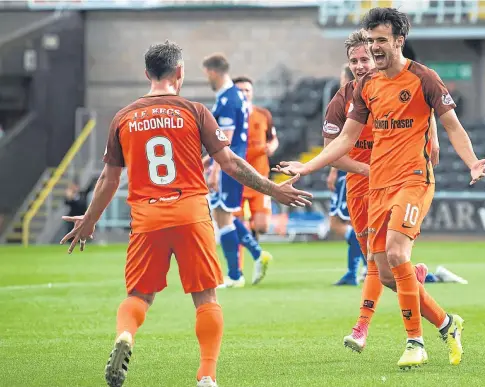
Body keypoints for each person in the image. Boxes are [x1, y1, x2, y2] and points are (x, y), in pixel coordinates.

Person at [60, 41, 312, 387]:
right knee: (206, 297)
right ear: (180, 73)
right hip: (191, 214)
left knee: (138, 296)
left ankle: (125, 336)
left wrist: (88, 221)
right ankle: (206, 375)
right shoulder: (194, 111)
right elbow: (231, 163)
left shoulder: (124, 116)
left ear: (147, 73)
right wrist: (275, 189)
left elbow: (108, 178)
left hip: (147, 219)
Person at [275, 8, 485, 369]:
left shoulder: (424, 78)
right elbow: (345, 139)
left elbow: (451, 125)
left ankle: (414, 342)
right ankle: (446, 323)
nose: (374, 48)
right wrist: (307, 165)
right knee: (388, 274)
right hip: (377, 186)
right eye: (370, 40)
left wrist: (470, 161)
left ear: (398, 40)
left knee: (394, 254)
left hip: (413, 180)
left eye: (380, 41)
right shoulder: (365, 87)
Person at [319, 30, 436, 354]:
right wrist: (362, 169)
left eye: (364, 59)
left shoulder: (402, 85)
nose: (359, 65)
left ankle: (362, 327)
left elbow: (424, 103)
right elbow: (334, 149)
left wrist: (433, 138)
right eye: (354, 60)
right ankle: (436, 312)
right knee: (385, 269)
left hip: (398, 181)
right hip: (361, 184)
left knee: (379, 258)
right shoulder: (343, 100)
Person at [202, 54, 273, 288]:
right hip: (233, 163)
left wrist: (214, 169)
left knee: (223, 218)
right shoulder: (233, 97)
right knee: (226, 216)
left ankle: (235, 275)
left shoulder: (229, 99)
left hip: (228, 165)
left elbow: (225, 140)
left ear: (212, 72)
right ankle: (255, 255)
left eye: (206, 74)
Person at [232, 76, 278, 284]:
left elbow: (273, 138)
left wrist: (272, 147)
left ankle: (253, 244)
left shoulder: (263, 115)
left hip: (260, 178)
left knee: (262, 226)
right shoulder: (230, 116)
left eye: (247, 90)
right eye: (240, 90)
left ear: (252, 92)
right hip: (237, 179)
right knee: (235, 225)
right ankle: (238, 270)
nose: (244, 93)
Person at [326, 64, 365, 286]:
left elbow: (342, 142)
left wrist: (334, 170)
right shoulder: (351, 102)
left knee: (340, 223)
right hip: (350, 168)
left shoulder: (349, 103)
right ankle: (354, 271)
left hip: (348, 170)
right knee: (346, 222)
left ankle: (364, 267)